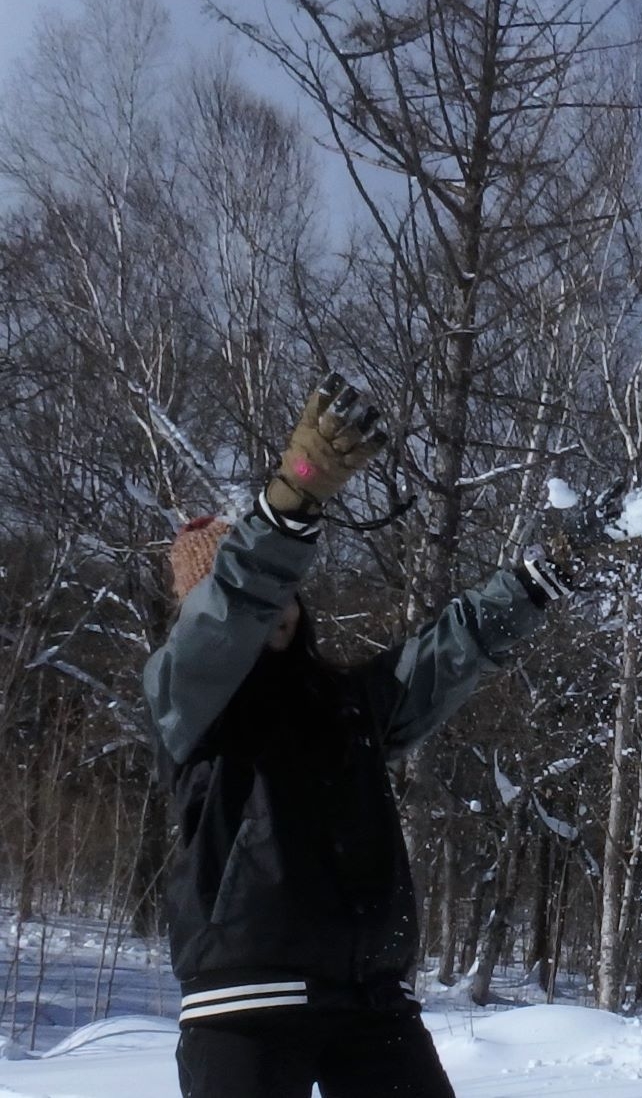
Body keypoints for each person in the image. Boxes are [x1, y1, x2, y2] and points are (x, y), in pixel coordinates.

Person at [146, 374, 587, 1098]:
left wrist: (543, 580)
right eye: (252, 596)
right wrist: (293, 497)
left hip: (370, 996)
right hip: (248, 1001)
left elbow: (450, 651)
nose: (273, 607)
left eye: (283, 592)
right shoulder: (188, 698)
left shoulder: (343, 704)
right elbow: (230, 609)